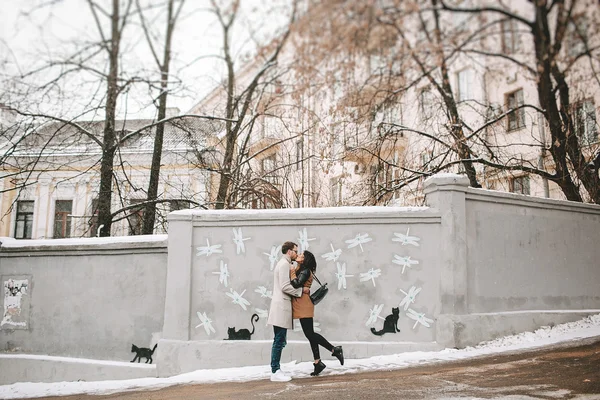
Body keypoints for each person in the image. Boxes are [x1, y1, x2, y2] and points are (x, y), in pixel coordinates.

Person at [290, 250, 344, 376]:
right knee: (310, 334)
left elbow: (296, 284)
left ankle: (334, 349)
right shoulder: (303, 269)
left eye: (301, 255)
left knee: (310, 334)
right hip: (303, 304)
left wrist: (292, 271)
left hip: (304, 305)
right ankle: (317, 362)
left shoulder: (305, 271)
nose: (299, 256)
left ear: (305, 260)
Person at [267, 241, 309, 382]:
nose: (297, 254)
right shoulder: (284, 264)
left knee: (280, 340)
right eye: (295, 251)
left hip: (280, 306)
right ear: (289, 251)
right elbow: (285, 286)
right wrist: (301, 290)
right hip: (281, 307)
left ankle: (276, 368)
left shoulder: (284, 264)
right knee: (279, 340)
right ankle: (275, 371)